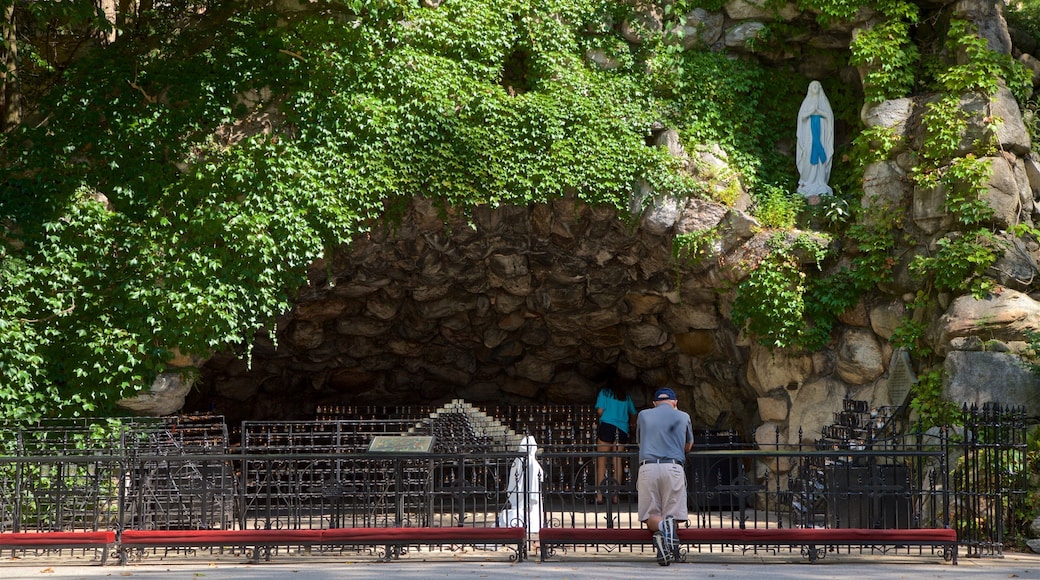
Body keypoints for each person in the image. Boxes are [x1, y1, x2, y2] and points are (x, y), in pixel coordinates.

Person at [636, 387, 694, 566]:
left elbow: (640, 442)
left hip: (648, 467)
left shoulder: (643, 415)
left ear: (654, 403)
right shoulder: (683, 416)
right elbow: (688, 445)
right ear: (675, 402)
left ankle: (661, 530)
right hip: (673, 467)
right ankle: (667, 529)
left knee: (649, 516)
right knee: (673, 515)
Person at [593, 380, 637, 504]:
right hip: (622, 428)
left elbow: (600, 411)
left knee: (601, 461)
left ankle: (600, 495)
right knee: (617, 461)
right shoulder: (625, 396)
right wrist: (631, 423)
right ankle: (615, 496)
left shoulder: (605, 392)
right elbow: (633, 412)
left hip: (607, 426)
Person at [796, 80, 834, 197]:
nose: (815, 87)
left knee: (820, 159)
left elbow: (829, 117)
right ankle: (807, 182)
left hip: (821, 136)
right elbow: (801, 118)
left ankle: (820, 182)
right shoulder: (806, 102)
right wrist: (811, 112)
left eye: (818, 86)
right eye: (813, 86)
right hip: (809, 136)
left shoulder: (824, 102)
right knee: (808, 155)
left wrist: (820, 112)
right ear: (809, 88)